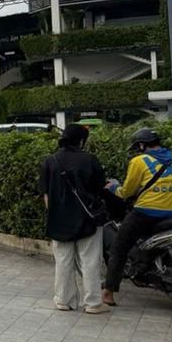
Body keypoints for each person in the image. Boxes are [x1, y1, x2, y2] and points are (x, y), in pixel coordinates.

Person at [102, 127, 172, 306]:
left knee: (119, 248)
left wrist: (113, 188)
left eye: (138, 147)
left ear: (142, 145)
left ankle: (108, 293)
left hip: (146, 213)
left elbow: (127, 191)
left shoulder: (139, 161)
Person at [39, 124, 109, 313]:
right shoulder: (90, 159)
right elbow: (100, 188)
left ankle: (64, 300)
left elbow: (46, 196)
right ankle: (93, 303)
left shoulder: (50, 161)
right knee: (90, 262)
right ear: (81, 140)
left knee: (63, 261)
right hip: (87, 219)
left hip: (59, 220)